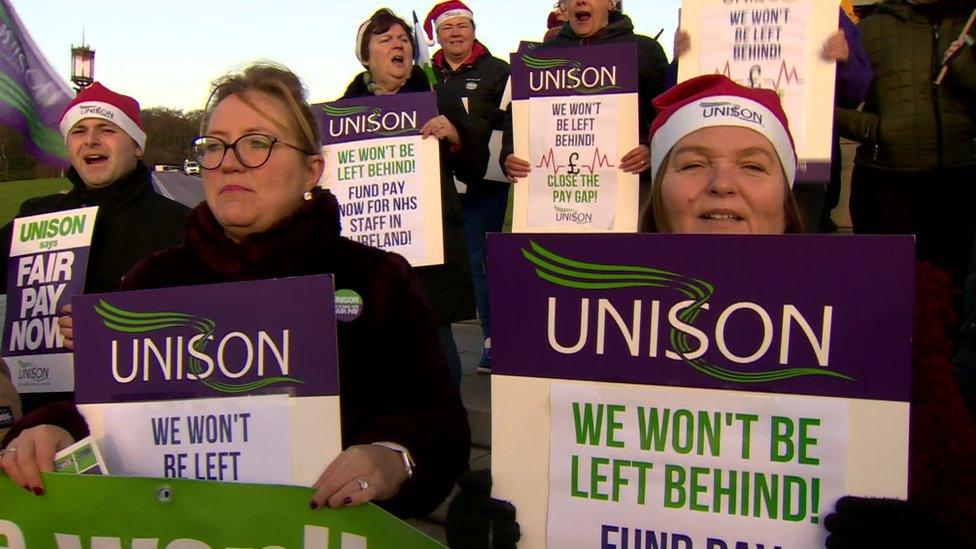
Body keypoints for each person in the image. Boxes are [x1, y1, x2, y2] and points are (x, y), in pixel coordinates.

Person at [1, 63, 471, 519]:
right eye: (215, 146)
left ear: (311, 171)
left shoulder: (375, 278)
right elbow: (107, 422)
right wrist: (53, 431)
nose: (229, 163)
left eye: (257, 144)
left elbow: (439, 425)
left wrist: (392, 458)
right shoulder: (152, 280)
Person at [641, 74, 976, 545]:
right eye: (694, 164)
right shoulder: (582, 319)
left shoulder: (891, 323)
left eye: (753, 166)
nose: (722, 184)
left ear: (785, 195)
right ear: (658, 194)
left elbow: (955, 492)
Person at [0, 83, 190, 414]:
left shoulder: (181, 225)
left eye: (106, 129)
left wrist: (118, 327)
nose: (90, 140)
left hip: (139, 411)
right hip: (39, 415)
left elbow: (209, 322)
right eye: (79, 131)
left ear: (137, 146)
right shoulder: (35, 216)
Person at [344, 8, 482, 387]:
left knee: (437, 342)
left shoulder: (437, 101)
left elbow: (475, 167)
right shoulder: (344, 111)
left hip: (430, 248)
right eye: (386, 39)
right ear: (366, 56)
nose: (398, 44)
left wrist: (455, 136)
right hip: (372, 248)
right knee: (373, 343)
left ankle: (447, 421)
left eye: (403, 38)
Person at [836, 0, 976, 284]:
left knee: (949, 289)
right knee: (883, 285)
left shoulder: (970, 25)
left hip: (958, 178)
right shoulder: (873, 27)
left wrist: (963, 65)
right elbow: (831, 104)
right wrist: (878, 130)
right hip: (886, 183)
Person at [501, 0, 669, 202]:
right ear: (565, 6)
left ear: (611, 3)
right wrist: (509, 155)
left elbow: (665, 114)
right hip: (554, 197)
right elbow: (516, 118)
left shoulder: (645, 51)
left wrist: (652, 148)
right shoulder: (540, 57)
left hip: (628, 189)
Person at [424, 0, 510, 373]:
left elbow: (510, 123)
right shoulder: (424, 75)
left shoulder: (499, 71)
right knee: (444, 266)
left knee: (483, 264)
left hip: (483, 184)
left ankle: (494, 341)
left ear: (474, 30)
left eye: (462, 26)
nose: (456, 33)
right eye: (447, 28)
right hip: (437, 186)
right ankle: (437, 341)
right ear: (437, 36)